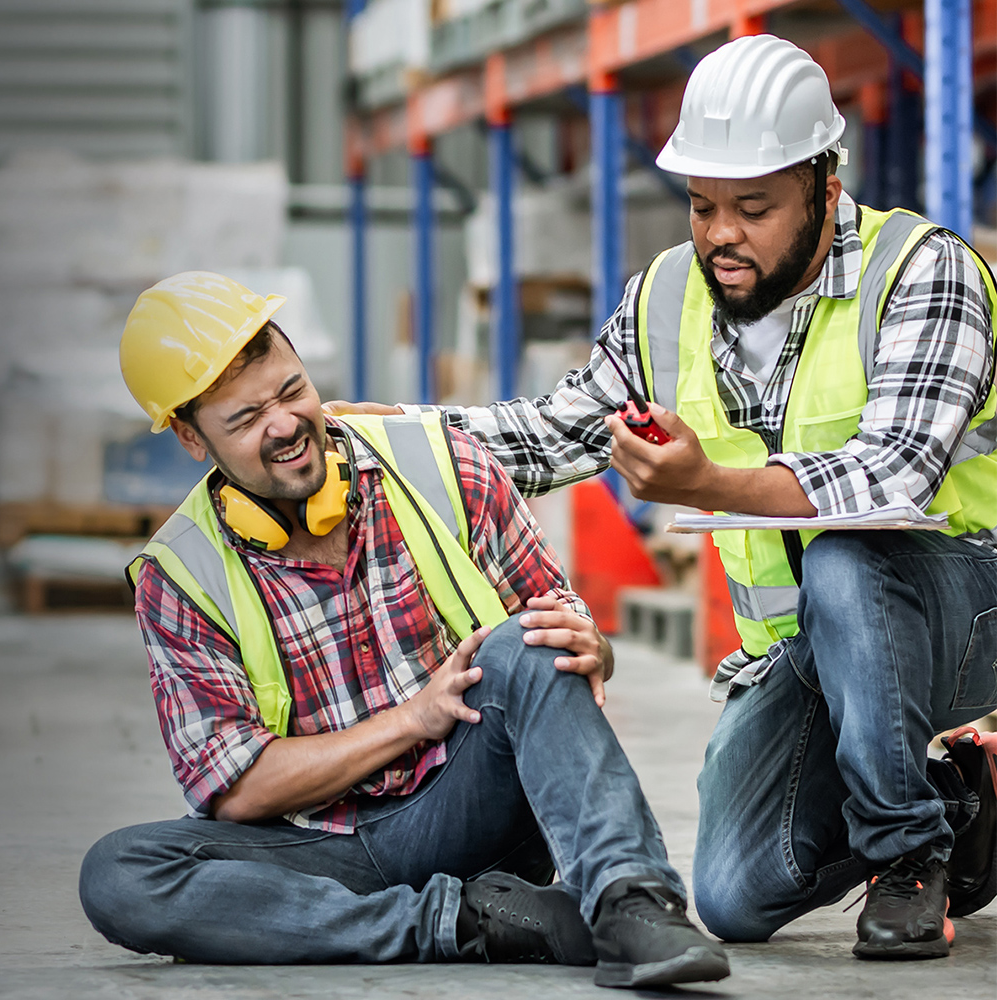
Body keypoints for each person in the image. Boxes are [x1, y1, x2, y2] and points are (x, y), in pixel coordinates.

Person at [334, 34, 997, 960]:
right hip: (805, 649)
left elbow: (889, 479)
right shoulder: (667, 299)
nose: (722, 233)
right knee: (731, 892)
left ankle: (910, 855)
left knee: (847, 553)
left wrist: (709, 485)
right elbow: (552, 433)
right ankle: (968, 805)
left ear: (825, 187)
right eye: (702, 205)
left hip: (966, 610)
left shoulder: (925, 273)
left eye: (753, 207)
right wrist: (395, 436)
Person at [78, 270, 730, 990]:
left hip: (472, 809)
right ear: (190, 437)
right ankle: (469, 925)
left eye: (292, 391)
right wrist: (411, 719)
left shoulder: (442, 463)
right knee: (120, 873)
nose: (287, 425)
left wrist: (592, 645)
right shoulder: (181, 575)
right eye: (245, 419)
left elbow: (559, 625)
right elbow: (236, 789)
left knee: (530, 641)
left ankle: (632, 902)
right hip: (318, 846)